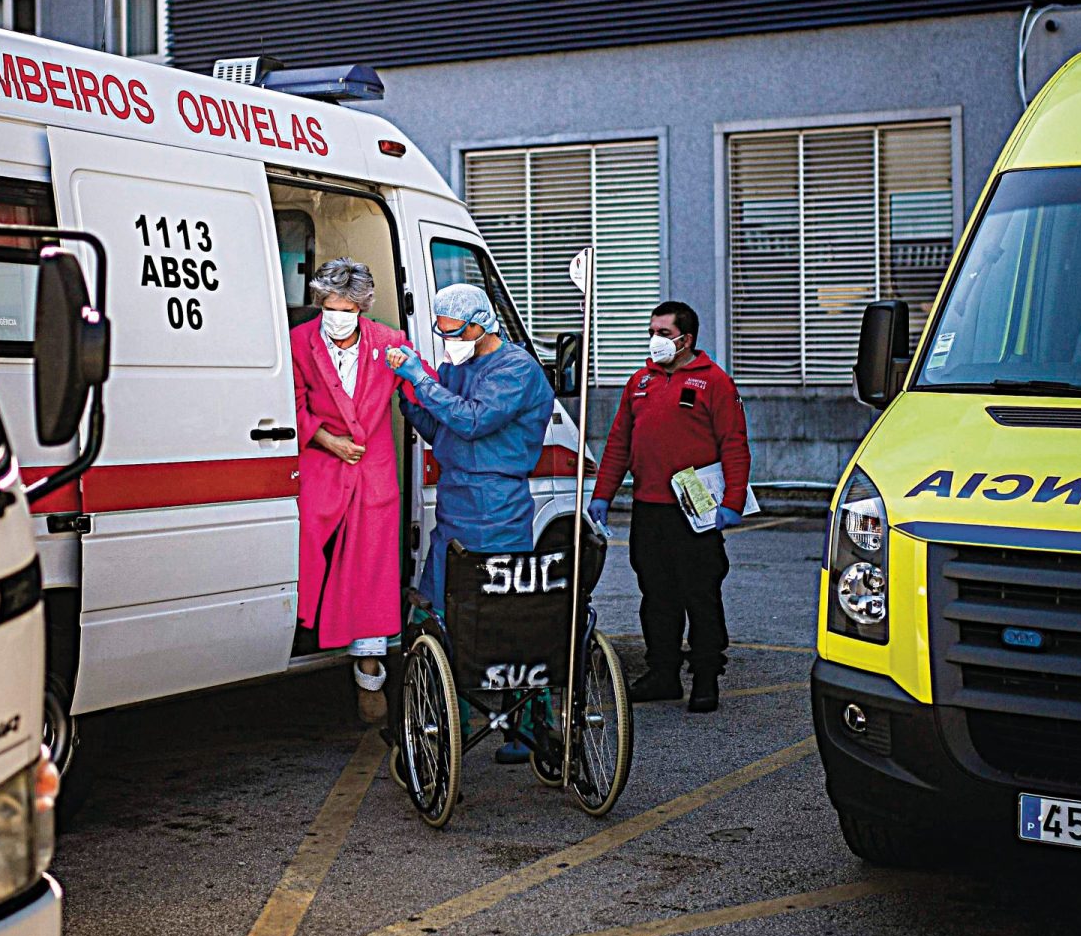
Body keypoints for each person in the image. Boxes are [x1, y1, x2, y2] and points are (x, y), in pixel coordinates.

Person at [388, 282, 554, 761]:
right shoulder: (460, 365)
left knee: (502, 618)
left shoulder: (516, 369)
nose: (448, 343)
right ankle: (450, 719)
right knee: (438, 613)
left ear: (481, 325)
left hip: (497, 506)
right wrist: (410, 397)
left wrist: (421, 381)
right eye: (441, 334)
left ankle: (526, 724)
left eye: (454, 333)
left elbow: (473, 420)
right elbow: (440, 428)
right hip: (455, 505)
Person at [587, 300, 751, 712]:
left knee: (700, 593)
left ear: (686, 339)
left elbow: (735, 445)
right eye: (652, 331)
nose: (655, 339)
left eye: (663, 332)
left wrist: (731, 502)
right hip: (650, 508)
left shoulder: (714, 382)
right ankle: (662, 672)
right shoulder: (640, 381)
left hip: (695, 512)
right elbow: (619, 443)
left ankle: (706, 676)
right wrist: (603, 495)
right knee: (656, 594)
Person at [292, 258, 415, 725]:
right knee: (312, 556)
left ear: (363, 308)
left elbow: (422, 392)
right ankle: (307, 634)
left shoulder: (390, 344)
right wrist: (328, 439)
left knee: (370, 573)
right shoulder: (299, 342)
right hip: (323, 467)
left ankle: (370, 677)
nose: (337, 316)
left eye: (346, 308)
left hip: (374, 473)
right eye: (329, 307)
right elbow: (294, 403)